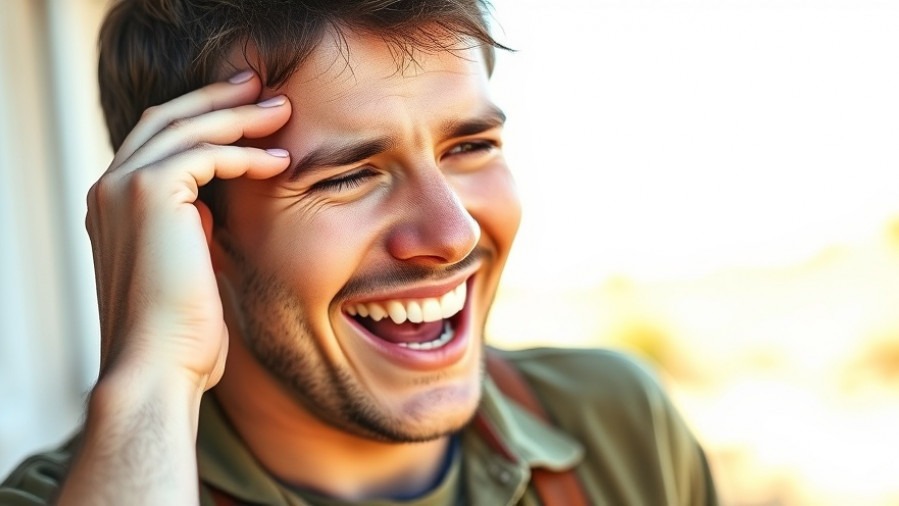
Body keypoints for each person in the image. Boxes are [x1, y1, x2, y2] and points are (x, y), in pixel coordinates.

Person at [0, 0, 717, 504]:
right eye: (348, 175)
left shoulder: (619, 423)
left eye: (468, 146)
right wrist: (153, 374)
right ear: (192, 227)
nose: (452, 234)